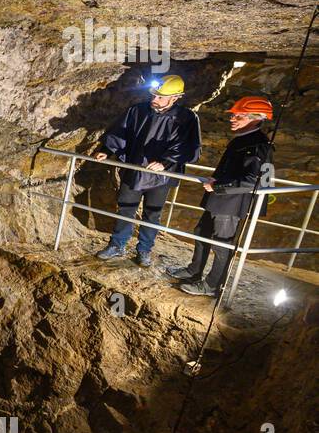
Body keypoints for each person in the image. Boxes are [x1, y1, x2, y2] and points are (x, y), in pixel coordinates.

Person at [166, 96, 275, 297]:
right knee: (201, 232)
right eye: (233, 115)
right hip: (220, 199)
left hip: (231, 204)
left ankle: (212, 286)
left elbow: (253, 181)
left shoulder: (259, 146)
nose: (232, 119)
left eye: (239, 116)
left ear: (257, 118)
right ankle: (194, 271)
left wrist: (218, 186)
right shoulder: (243, 140)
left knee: (222, 243)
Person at [94, 74, 201, 266]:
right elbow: (121, 131)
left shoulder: (186, 118)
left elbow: (188, 146)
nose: (154, 99)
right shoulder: (138, 110)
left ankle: (144, 250)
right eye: (154, 95)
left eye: (160, 96)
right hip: (135, 169)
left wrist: (165, 162)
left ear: (175, 98)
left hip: (161, 176)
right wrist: (106, 150)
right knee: (125, 208)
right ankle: (117, 245)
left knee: (152, 213)